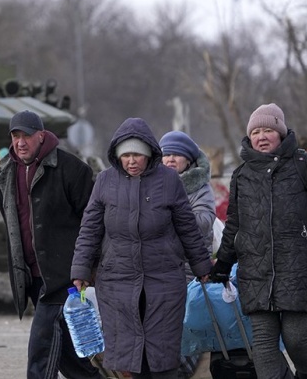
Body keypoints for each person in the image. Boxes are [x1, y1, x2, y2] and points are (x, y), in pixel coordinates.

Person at [71, 117, 213, 379]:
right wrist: (80, 269)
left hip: (163, 281)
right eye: (126, 155)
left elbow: (187, 228)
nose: (132, 160)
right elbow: (90, 229)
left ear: (149, 154)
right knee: (131, 357)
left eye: (137, 154)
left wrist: (202, 266)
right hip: (118, 282)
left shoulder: (169, 181)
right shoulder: (105, 182)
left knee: (163, 357)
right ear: (117, 156)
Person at [210, 103, 307, 379]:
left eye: (268, 130)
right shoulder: (241, 175)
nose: (261, 136)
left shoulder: (306, 165)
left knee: (296, 337)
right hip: (255, 271)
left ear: (281, 133)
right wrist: (223, 263)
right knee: (263, 345)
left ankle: (306, 373)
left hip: (299, 268)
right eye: (256, 131)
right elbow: (234, 224)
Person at [0, 110, 102, 379]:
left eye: (27, 136)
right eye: (15, 136)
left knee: (41, 348)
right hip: (31, 277)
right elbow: (12, 227)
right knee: (69, 354)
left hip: (65, 276)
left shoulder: (72, 169)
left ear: (41, 136)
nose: (20, 142)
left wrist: (89, 268)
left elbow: (94, 223)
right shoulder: (5, 175)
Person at [159, 130, 216, 378]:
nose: (170, 159)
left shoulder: (200, 188)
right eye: (166, 154)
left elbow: (203, 220)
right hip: (156, 267)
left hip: (188, 270)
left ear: (188, 161)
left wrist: (167, 213)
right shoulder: (151, 184)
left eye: (176, 155)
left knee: (181, 328)